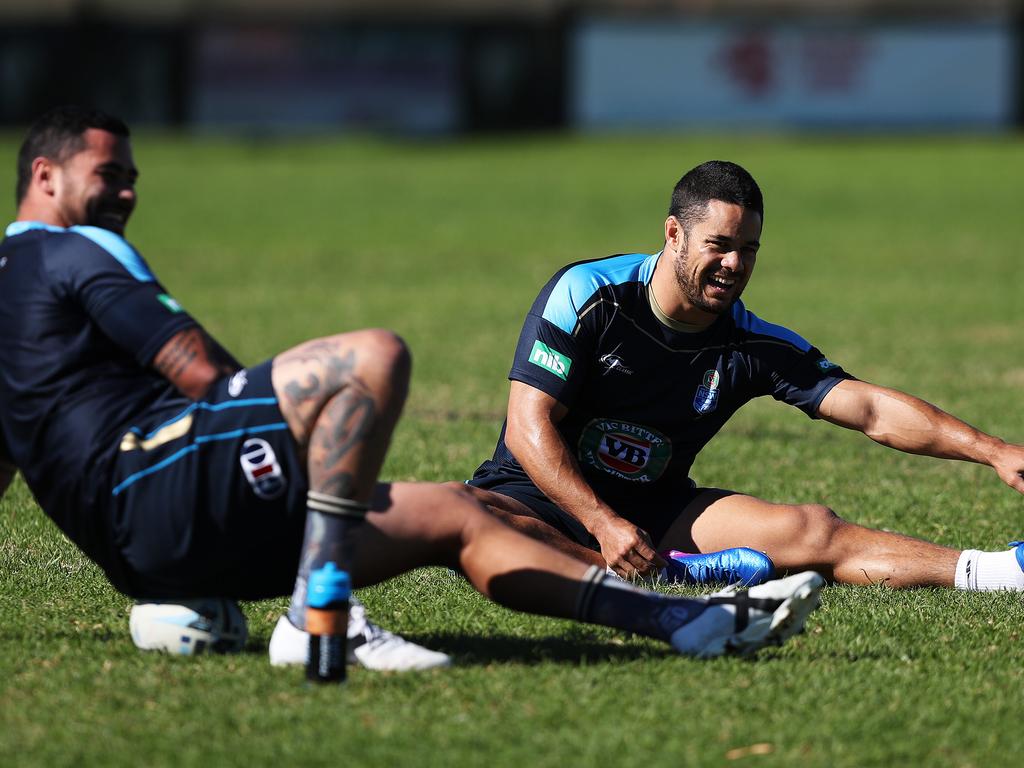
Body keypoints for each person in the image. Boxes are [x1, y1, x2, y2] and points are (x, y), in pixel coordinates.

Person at [0, 107, 825, 671]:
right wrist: (282, 468)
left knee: (455, 511)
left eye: (133, 175)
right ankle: (316, 613)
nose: (129, 191)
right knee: (371, 357)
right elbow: (206, 380)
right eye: (109, 173)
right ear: (44, 176)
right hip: (169, 494)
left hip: (141, 554)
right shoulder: (74, 251)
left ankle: (687, 618)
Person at [464, 160, 1024, 591]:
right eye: (720, 245)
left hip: (657, 511)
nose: (735, 264)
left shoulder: (750, 343)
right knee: (466, 515)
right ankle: (669, 580)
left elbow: (872, 410)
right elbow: (526, 426)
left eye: (749, 250)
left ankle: (997, 573)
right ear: (674, 234)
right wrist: (603, 523)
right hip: (534, 497)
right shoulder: (589, 296)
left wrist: (994, 450)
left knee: (813, 530)